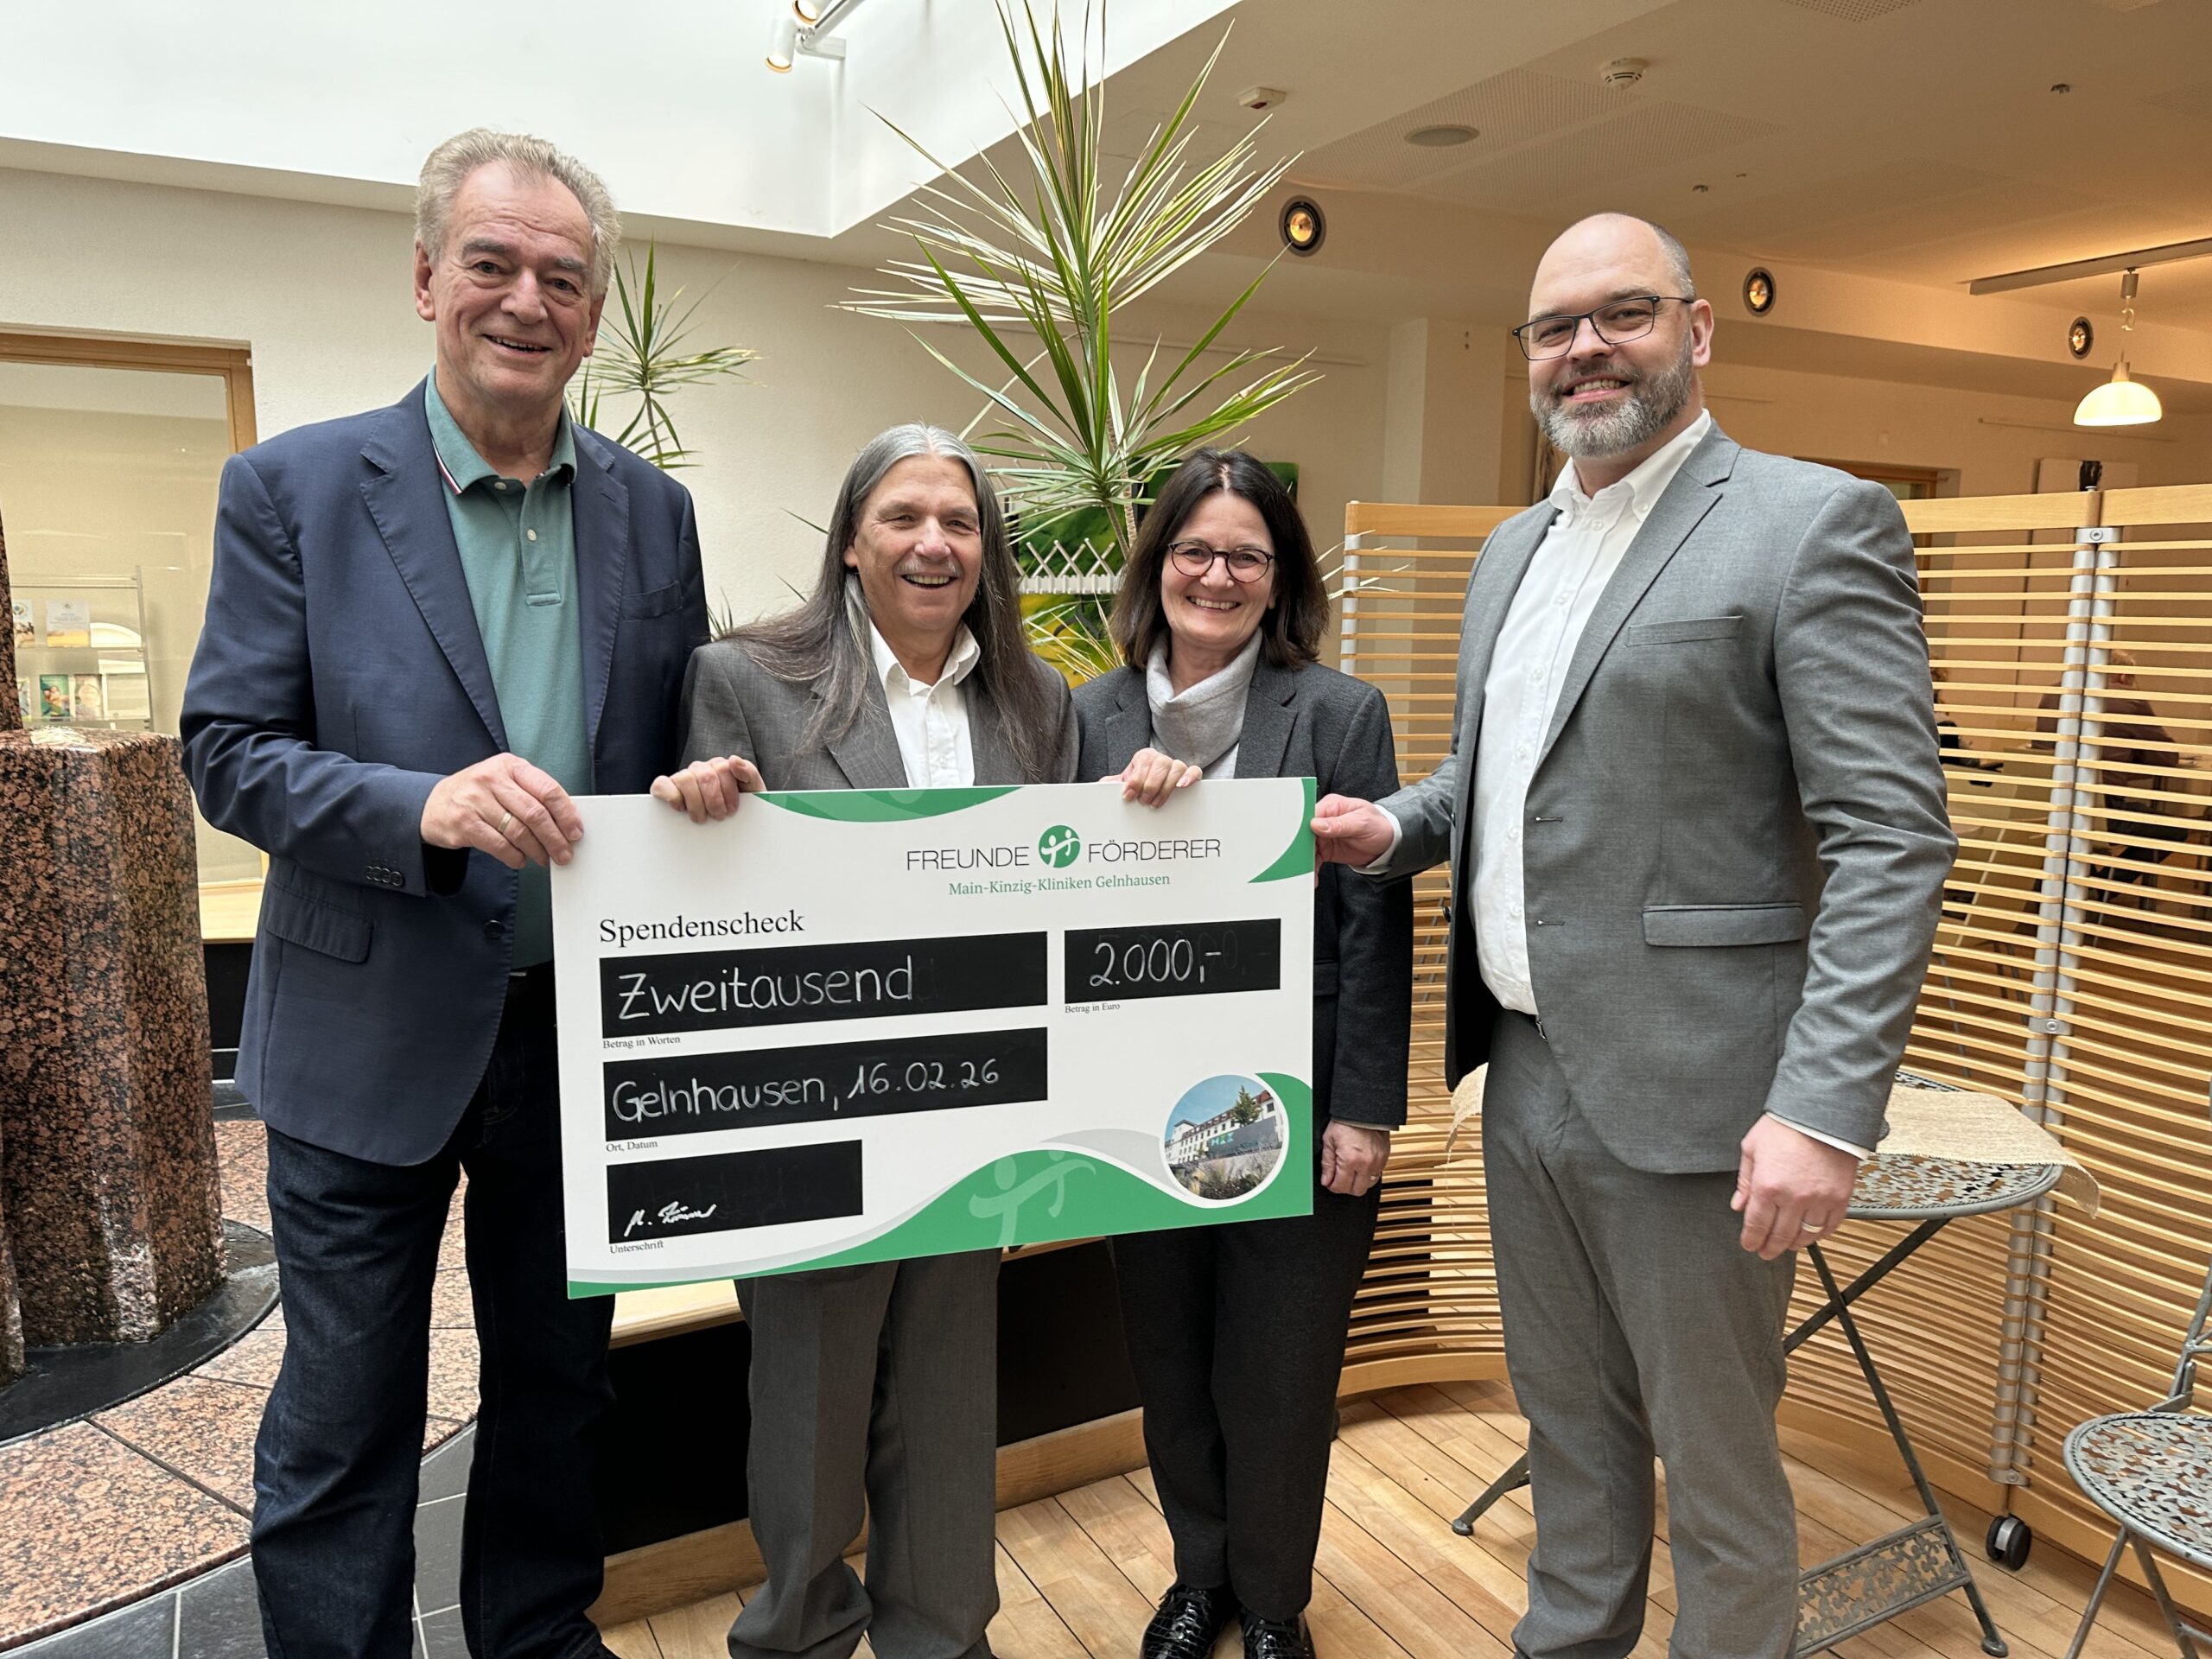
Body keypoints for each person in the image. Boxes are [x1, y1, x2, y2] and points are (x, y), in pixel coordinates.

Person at [1310, 213, 1955, 1659]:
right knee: (1569, 1438)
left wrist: (1820, 1109)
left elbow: (1893, 837)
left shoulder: (1808, 521)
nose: (1586, 348)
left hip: (1705, 1100)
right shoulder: (1509, 551)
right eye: (1554, 326)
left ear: (1699, 328)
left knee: (1718, 1479)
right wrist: (1394, 830)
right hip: (1524, 1075)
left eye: (1623, 313)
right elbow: (1504, 781)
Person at [181, 130, 709, 1658]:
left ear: (595, 315)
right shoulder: (292, 488)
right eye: (491, 262)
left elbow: (673, 738)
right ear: (427, 279)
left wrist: (707, 783)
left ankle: (536, 1639)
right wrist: (422, 805)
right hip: (368, 1030)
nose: (524, 299)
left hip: (582, 1046)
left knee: (558, 1391)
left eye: (562, 275)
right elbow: (227, 751)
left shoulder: (650, 513)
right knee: (346, 1418)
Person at [654, 424, 1077, 1659]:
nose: (934, 543)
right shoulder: (746, 677)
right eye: (904, 517)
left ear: (987, 550)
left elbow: (1071, 899)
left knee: (948, 1410)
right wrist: (687, 817)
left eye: (959, 521)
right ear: (851, 540)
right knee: (812, 1413)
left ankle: (943, 1637)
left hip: (972, 1113)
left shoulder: (1038, 700)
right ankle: (795, 1634)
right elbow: (697, 892)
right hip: (811, 1115)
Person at [1073, 450, 1412, 1659]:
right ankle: (1198, 1575)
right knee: (1171, 1362)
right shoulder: (1088, 716)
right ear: (1158, 563)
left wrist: (1365, 1107)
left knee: (1279, 1377)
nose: (1217, 576)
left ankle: (1273, 1603)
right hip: (1137, 1106)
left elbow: (1377, 919)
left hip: (1302, 1104)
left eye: (1247, 558)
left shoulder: (1336, 712)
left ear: (1281, 582)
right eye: (1195, 551)